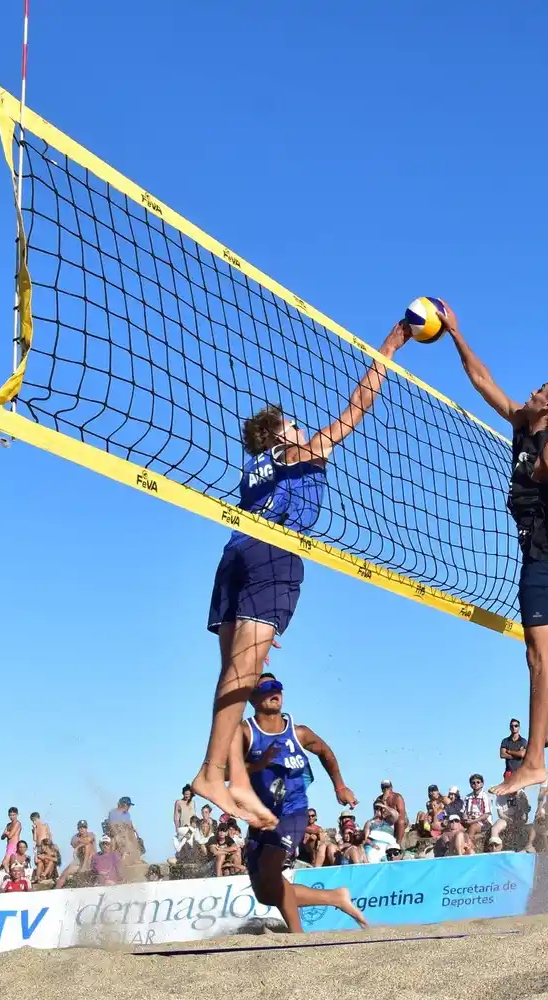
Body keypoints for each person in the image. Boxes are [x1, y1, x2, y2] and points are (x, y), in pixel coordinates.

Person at [193, 320, 410, 827]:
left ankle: (237, 783)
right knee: (243, 677)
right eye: (291, 423)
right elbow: (356, 408)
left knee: (236, 678)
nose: (299, 426)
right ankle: (211, 772)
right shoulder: (297, 452)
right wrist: (391, 346)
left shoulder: (254, 471)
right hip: (274, 555)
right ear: (278, 434)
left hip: (235, 556)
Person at [441, 304, 548, 805]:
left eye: (541, 390)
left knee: (541, 657)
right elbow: (481, 378)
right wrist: (455, 332)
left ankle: (535, 762)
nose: (533, 391)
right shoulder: (523, 424)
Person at [236, 671, 366, 929]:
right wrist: (257, 764)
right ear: (252, 698)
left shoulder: (299, 732)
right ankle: (335, 897)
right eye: (267, 687)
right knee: (265, 893)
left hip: (293, 813)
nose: (275, 691)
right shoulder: (245, 732)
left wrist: (339, 786)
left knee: (272, 873)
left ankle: (297, 936)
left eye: (278, 686)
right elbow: (226, 772)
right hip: (260, 816)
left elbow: (325, 752)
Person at [55, 821, 96, 889]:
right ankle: (56, 890)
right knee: (64, 873)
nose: (82, 829)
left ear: (86, 828)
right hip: (79, 860)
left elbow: (88, 840)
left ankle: (84, 867)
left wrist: (78, 846)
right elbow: (73, 842)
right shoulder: (75, 836)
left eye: (84, 827)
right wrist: (79, 844)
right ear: (78, 828)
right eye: (80, 827)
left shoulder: (91, 834)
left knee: (87, 845)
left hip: (91, 859)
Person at [499, 719, 528, 783]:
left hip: (520, 772)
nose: (514, 727)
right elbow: (502, 754)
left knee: (520, 792)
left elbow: (522, 754)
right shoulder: (505, 741)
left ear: (519, 727)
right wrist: (517, 754)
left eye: (516, 726)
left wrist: (509, 752)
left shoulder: (523, 741)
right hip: (509, 772)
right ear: (509, 728)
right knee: (508, 792)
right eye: (512, 726)